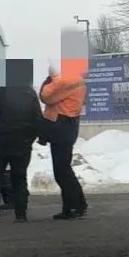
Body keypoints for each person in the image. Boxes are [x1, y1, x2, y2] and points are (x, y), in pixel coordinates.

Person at [0, 80, 43, 223]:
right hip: (21, 142)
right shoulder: (29, 92)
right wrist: (29, 139)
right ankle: (21, 214)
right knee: (19, 178)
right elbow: (37, 118)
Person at [39, 66, 88, 220]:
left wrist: (52, 79)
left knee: (62, 171)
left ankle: (73, 207)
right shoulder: (77, 79)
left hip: (62, 127)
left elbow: (46, 96)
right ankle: (78, 205)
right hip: (69, 126)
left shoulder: (66, 80)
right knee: (64, 169)